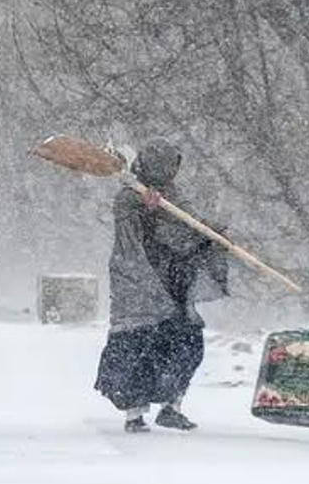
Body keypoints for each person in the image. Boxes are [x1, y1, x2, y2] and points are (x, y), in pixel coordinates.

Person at [95, 139, 228, 433]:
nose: (171, 172)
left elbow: (188, 225)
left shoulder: (173, 195)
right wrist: (146, 210)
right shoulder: (129, 196)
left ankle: (172, 406)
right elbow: (133, 231)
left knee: (187, 343)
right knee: (138, 348)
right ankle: (134, 414)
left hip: (173, 280)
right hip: (138, 283)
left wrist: (213, 234)